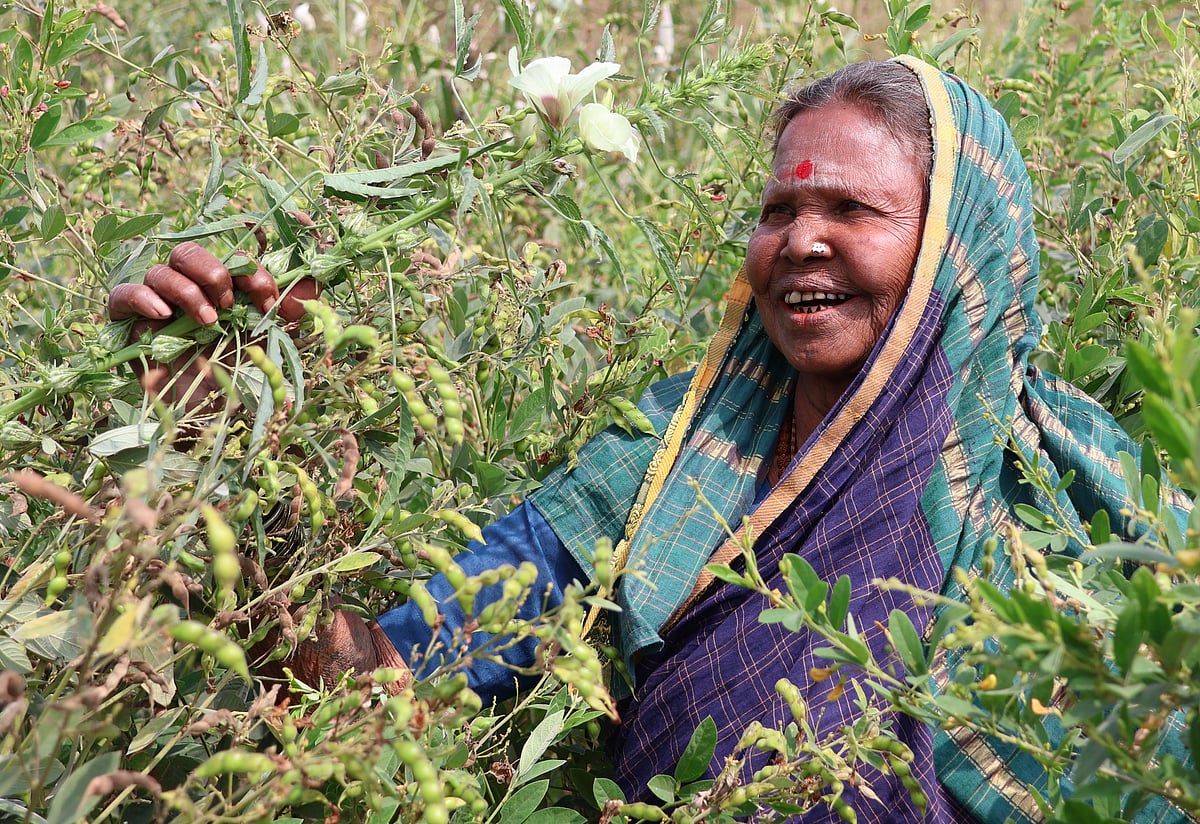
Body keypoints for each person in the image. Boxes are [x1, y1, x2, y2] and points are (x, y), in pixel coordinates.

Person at [108, 57, 1190, 822]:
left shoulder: (1079, 514)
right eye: (777, 212)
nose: (799, 239)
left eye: (854, 210)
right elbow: (379, 679)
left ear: (963, 246)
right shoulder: (669, 465)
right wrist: (228, 449)